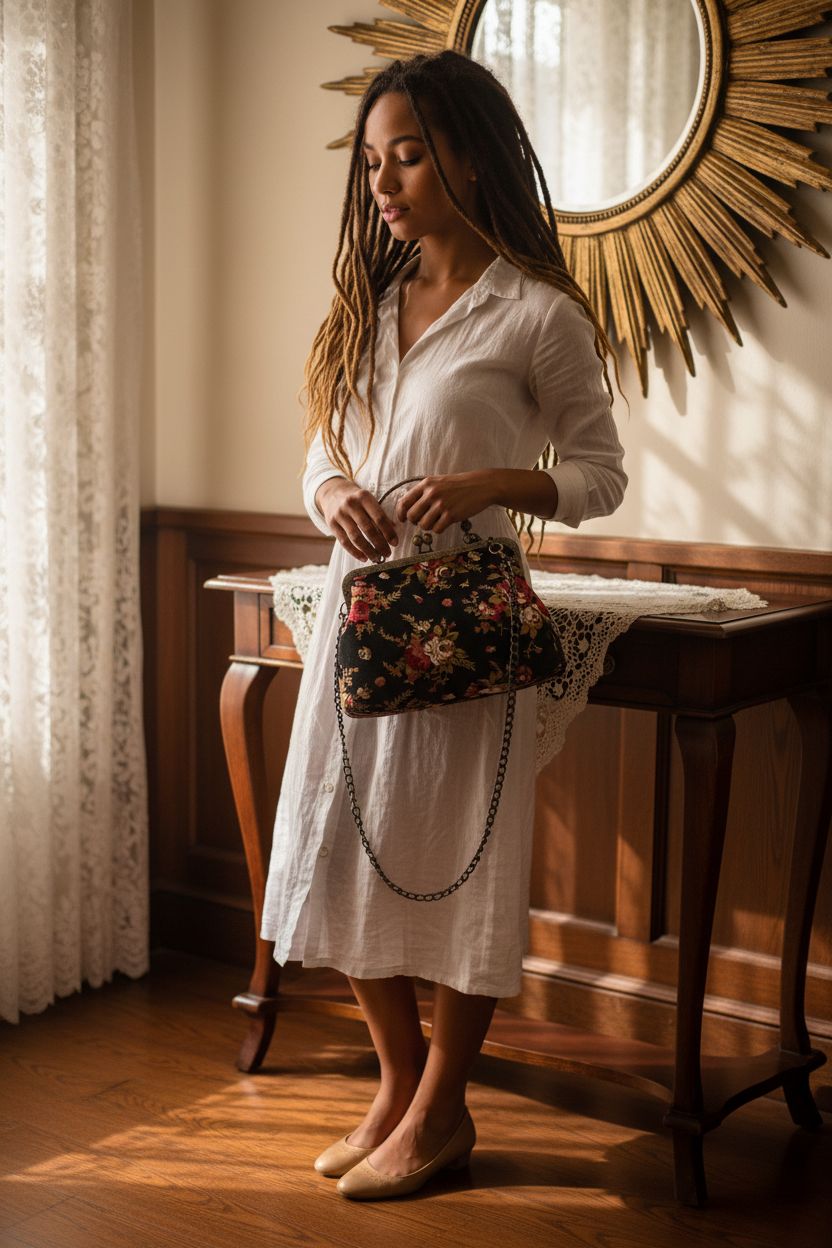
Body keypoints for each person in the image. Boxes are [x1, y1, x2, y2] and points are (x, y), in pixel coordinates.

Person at [259, 49, 628, 1201]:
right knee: (339, 843)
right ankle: (398, 1084)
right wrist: (332, 495)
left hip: (464, 625)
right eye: (372, 162)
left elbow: (601, 477)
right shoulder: (365, 307)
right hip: (358, 612)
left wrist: (489, 485)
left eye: (408, 154)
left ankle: (443, 1110)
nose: (385, 181)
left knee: (459, 857)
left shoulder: (537, 313)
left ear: (467, 153)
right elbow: (324, 449)